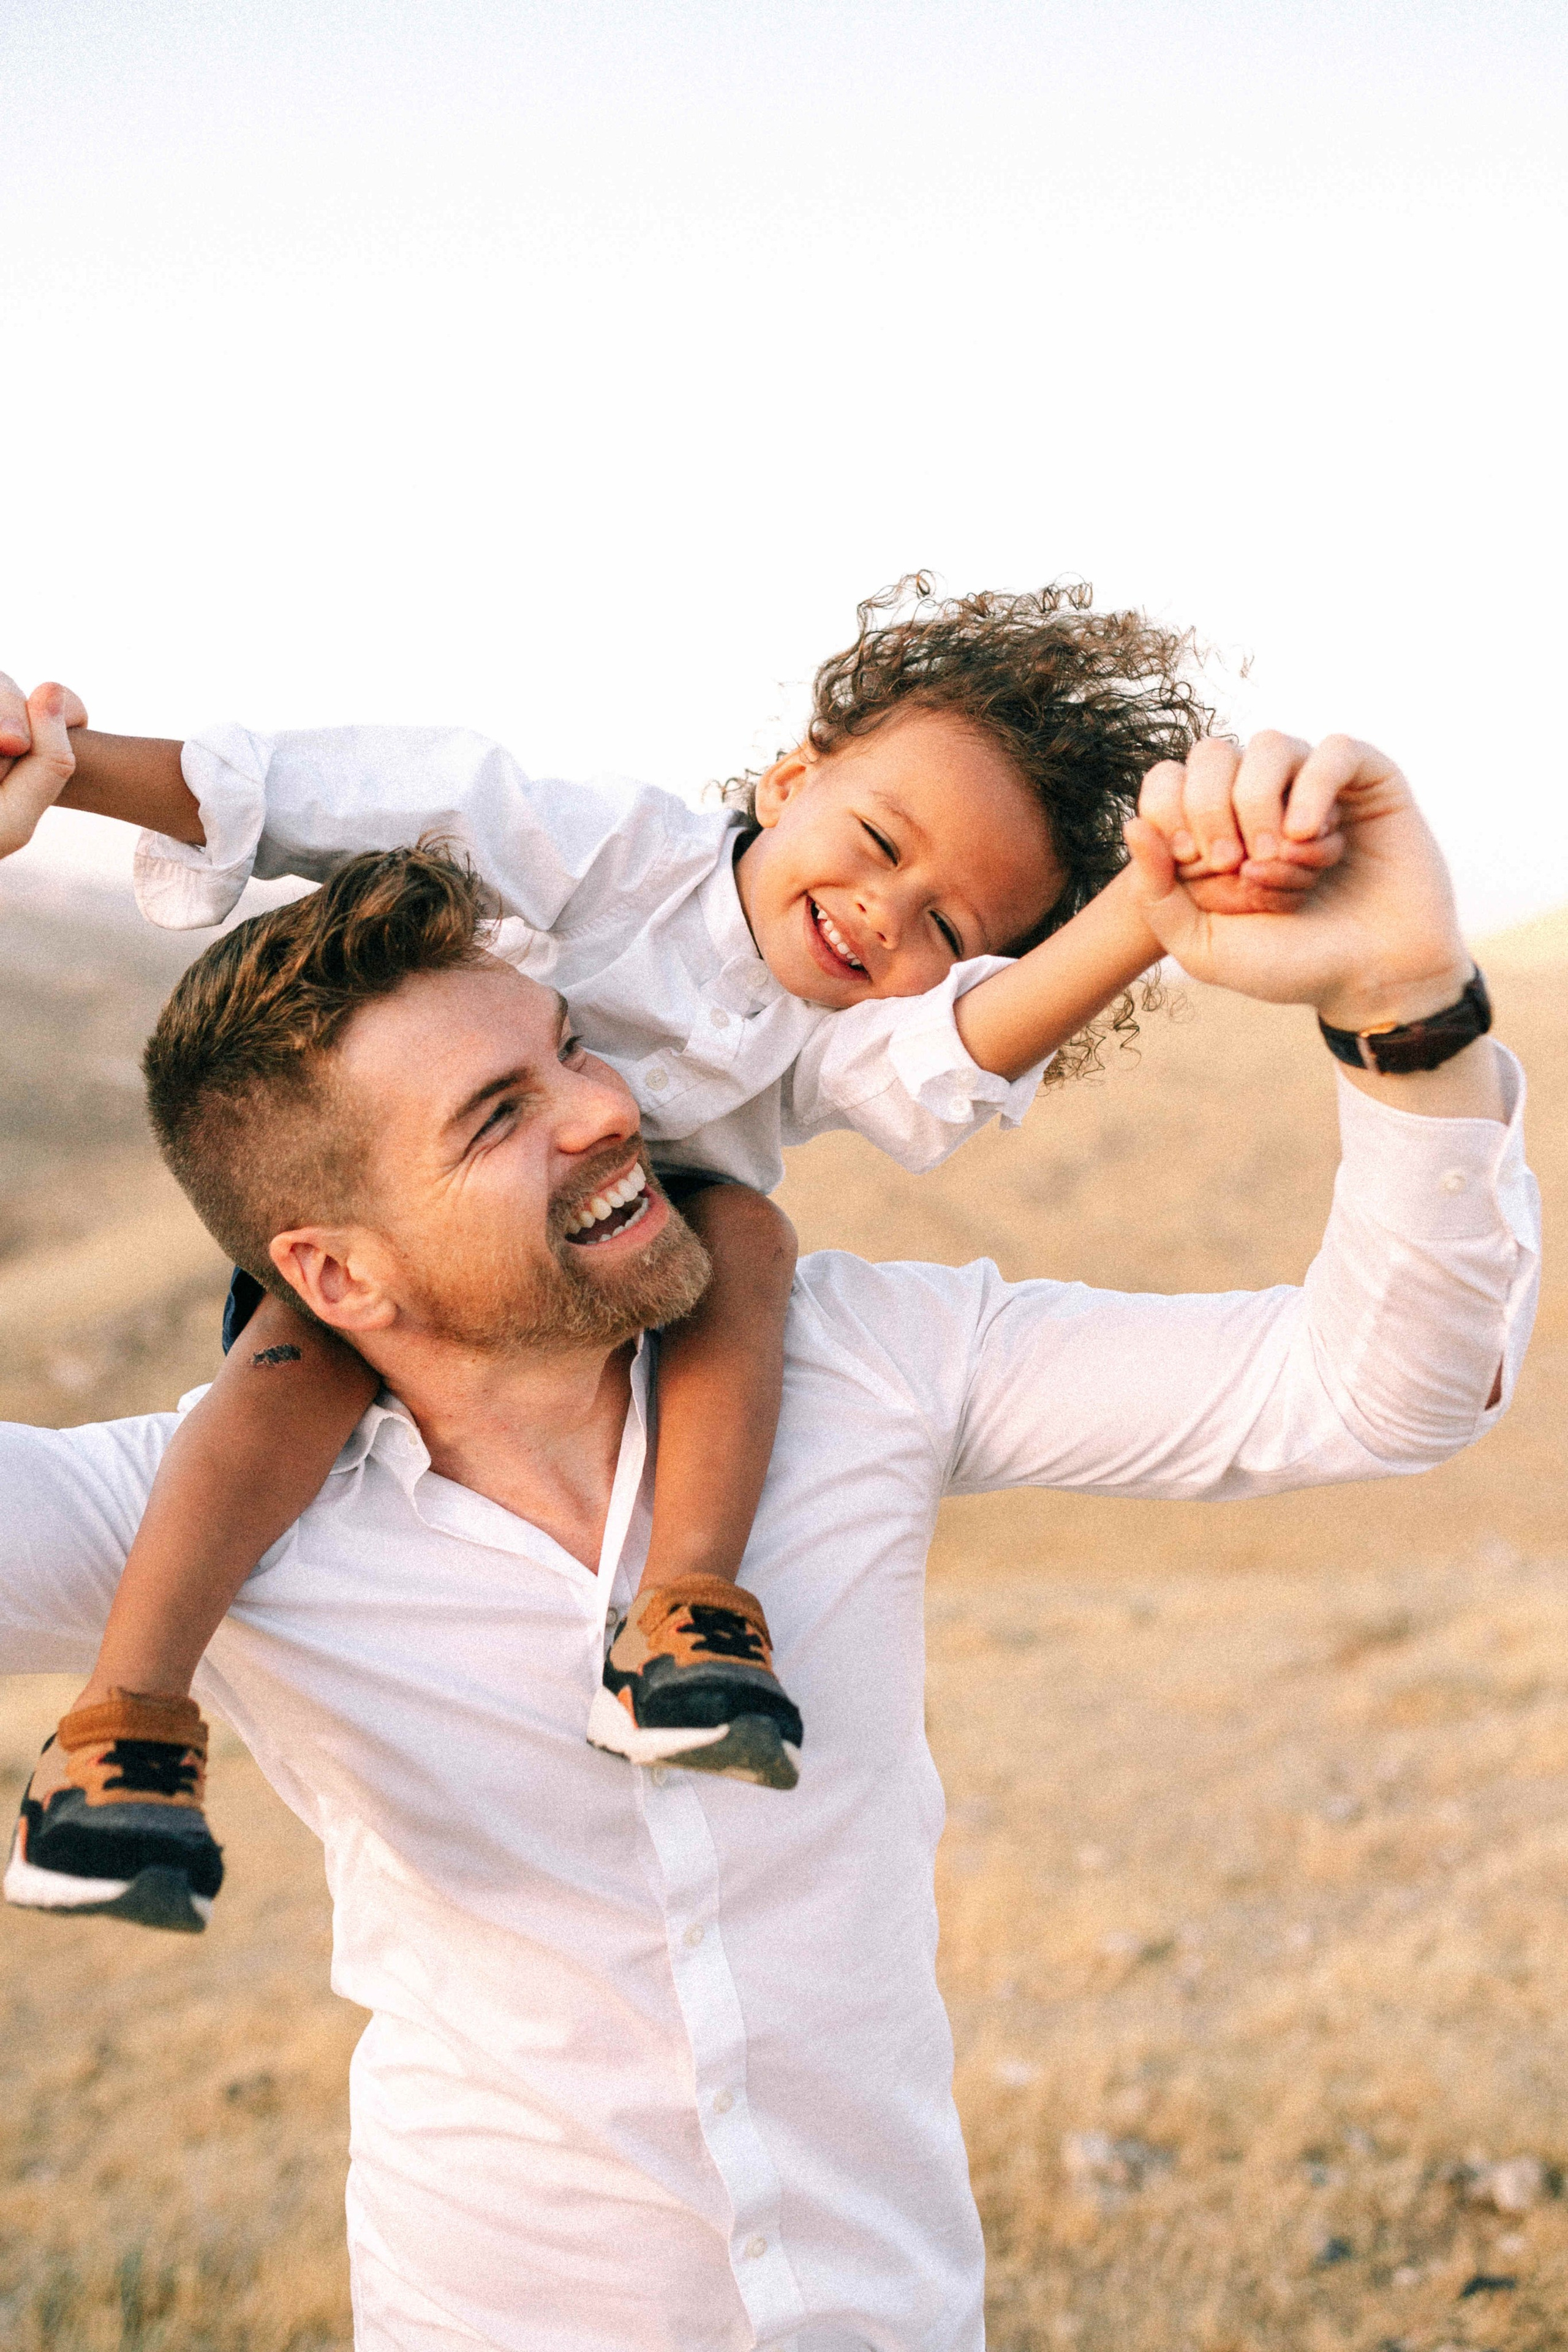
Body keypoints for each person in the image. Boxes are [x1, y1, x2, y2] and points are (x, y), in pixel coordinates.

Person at [0, 728, 1536, 2350]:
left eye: (577, 1047)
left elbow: (1382, 1394)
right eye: (498, 1114)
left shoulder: (869, 1362)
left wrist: (1409, 1005)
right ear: (337, 1276)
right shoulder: (197, 1522)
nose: (611, 1109)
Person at [0, 582, 1341, 1931]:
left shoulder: (841, 1023)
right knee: (286, 1376)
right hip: (422, 1230)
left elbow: (956, 1052)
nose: (885, 912)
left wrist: (1143, 920)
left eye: (944, 928)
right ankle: (124, 1733)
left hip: (640, 1243)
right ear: (793, 777)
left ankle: (681, 1619)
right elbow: (341, 795)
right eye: (876, 841)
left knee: (747, 1232)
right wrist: (60, 773)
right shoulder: (611, 852)